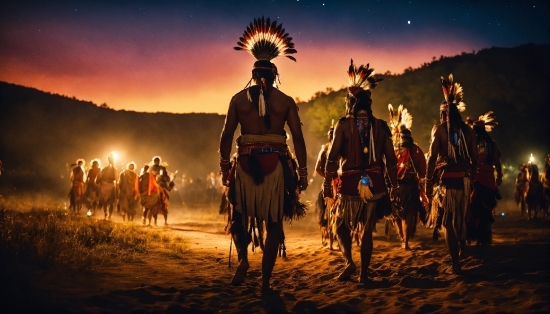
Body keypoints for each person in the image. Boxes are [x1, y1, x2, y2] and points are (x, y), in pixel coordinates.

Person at [219, 17, 307, 291]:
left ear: (254, 75)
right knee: (274, 224)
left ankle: (244, 260)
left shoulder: (237, 100)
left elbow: (225, 136)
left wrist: (225, 168)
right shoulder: (286, 102)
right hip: (276, 166)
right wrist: (302, 173)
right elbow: (299, 139)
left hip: (244, 164)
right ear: (274, 74)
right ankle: (266, 282)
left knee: (238, 216)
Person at [323, 59, 398, 283]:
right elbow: (392, 161)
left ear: (351, 103)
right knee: (366, 228)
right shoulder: (381, 127)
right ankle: (363, 274)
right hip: (375, 181)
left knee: (339, 224)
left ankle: (350, 263)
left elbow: (332, 157)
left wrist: (327, 184)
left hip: (349, 181)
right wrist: (393, 187)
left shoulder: (343, 125)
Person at [425, 74, 477, 274]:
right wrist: (470, 180)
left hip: (447, 182)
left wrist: (429, 181)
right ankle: (461, 248)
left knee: (447, 222)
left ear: (443, 114)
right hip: (463, 180)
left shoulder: (439, 131)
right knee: (460, 219)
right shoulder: (468, 131)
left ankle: (456, 263)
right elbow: (475, 160)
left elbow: (431, 159)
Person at [387, 105, 427, 250]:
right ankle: (405, 240)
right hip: (399, 187)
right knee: (400, 214)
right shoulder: (397, 151)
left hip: (409, 187)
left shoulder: (415, 151)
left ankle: (405, 240)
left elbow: (422, 171)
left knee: (407, 214)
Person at [466, 112, 502, 245]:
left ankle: (471, 233)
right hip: (488, 179)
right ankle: (483, 236)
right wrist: (499, 176)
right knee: (485, 208)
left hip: (474, 177)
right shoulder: (492, 144)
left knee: (471, 206)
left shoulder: (470, 143)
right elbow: (497, 163)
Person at [314, 123, 338, 248]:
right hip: (330, 184)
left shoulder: (342, 149)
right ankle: (331, 241)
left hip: (341, 183)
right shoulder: (324, 150)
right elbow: (318, 168)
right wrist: (328, 178)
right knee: (328, 211)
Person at [149, 156, 174, 225]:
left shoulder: (163, 168)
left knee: (164, 205)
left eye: (157, 160)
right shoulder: (150, 168)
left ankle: (165, 221)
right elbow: (149, 178)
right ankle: (155, 221)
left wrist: (168, 179)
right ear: (154, 161)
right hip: (154, 189)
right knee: (154, 206)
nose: (156, 161)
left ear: (159, 161)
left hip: (163, 187)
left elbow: (167, 178)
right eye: (155, 160)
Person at [95, 153, 118, 220]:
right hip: (106, 186)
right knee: (108, 202)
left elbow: (116, 179)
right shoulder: (106, 169)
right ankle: (107, 215)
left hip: (107, 186)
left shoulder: (108, 169)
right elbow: (116, 179)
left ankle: (107, 215)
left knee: (108, 202)